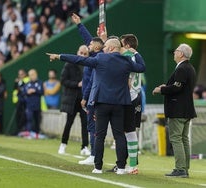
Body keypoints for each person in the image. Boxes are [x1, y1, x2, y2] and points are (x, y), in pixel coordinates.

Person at [47, 38, 145, 174]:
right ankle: (121, 168)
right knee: (119, 136)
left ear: (111, 48)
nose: (103, 48)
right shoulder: (126, 60)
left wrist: (59, 56)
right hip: (119, 104)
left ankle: (98, 167)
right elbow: (142, 67)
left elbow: (79, 60)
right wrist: (136, 53)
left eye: (105, 46)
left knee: (100, 135)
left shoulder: (100, 58)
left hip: (102, 103)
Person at [152, 43, 196, 178]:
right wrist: (168, 86)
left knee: (176, 138)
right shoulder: (190, 68)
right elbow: (180, 86)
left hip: (178, 109)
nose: (174, 53)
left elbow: (177, 88)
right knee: (184, 139)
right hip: (186, 109)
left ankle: (180, 169)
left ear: (181, 54)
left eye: (176, 51)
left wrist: (162, 89)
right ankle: (184, 168)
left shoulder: (182, 68)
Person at [70, 13, 104, 165]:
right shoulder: (96, 56)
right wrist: (79, 25)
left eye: (91, 45)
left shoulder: (98, 58)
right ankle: (95, 155)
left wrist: (85, 97)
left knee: (93, 127)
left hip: (93, 97)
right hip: (92, 96)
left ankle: (94, 156)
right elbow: (89, 40)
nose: (88, 46)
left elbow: (90, 81)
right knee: (93, 127)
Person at [107, 34, 143, 174]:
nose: (120, 47)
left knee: (124, 132)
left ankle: (127, 165)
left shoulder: (126, 56)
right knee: (130, 131)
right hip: (137, 96)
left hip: (128, 98)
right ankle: (130, 164)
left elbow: (127, 81)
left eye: (122, 44)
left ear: (127, 45)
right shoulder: (135, 57)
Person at [57, 45, 91, 156]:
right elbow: (63, 80)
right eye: (81, 53)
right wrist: (77, 84)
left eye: (85, 54)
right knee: (69, 123)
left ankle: (85, 147)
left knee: (85, 124)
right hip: (72, 99)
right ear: (77, 52)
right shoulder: (69, 64)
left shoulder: (89, 65)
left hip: (84, 99)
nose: (83, 55)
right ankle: (63, 144)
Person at [23, 69, 44, 139]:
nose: (31, 77)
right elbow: (24, 92)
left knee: (37, 120)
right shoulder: (27, 84)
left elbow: (42, 92)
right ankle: (28, 134)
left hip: (37, 105)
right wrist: (27, 92)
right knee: (29, 119)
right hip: (29, 105)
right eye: (30, 75)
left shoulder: (40, 83)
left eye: (32, 75)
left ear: (35, 75)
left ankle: (37, 135)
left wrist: (35, 91)